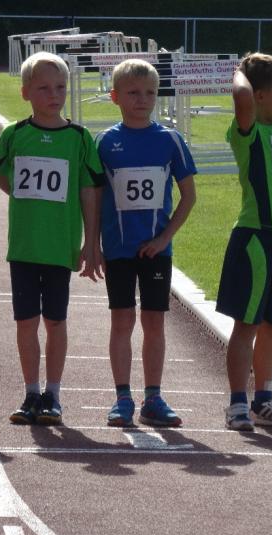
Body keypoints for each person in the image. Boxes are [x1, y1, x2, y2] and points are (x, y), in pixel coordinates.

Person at [0, 51, 103, 426]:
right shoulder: (14, 134)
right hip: (24, 246)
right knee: (26, 322)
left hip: (59, 247)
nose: (54, 95)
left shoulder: (79, 138)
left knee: (55, 321)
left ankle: (53, 393)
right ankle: (31, 392)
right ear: (26, 92)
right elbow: (2, 175)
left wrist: (91, 242)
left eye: (60, 87)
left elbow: (89, 191)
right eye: (43, 88)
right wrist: (24, 199)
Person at [95, 58, 197, 428]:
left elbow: (189, 196)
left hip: (157, 251)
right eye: (133, 93)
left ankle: (153, 396)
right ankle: (122, 396)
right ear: (115, 97)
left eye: (150, 93)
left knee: (154, 321)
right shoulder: (105, 142)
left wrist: (163, 238)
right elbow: (93, 197)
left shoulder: (170, 140)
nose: (142, 100)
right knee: (122, 320)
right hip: (119, 250)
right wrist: (93, 245)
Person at [217, 53, 272, 431]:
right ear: (258, 96)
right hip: (256, 239)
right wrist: (241, 71)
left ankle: (264, 399)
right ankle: (238, 403)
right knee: (248, 325)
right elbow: (241, 97)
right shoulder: (249, 130)